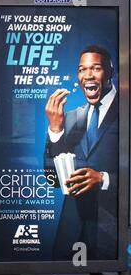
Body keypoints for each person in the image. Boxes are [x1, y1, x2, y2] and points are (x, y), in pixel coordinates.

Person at [44, 45, 118, 260]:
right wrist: (55, 131)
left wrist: (104, 179)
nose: (87, 76)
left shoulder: (125, 110)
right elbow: (52, 179)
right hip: (71, 230)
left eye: (95, 68)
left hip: (111, 228)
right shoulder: (70, 117)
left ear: (110, 72)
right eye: (82, 69)